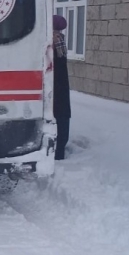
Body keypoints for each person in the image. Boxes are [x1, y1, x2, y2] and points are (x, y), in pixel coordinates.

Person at [53, 14, 71, 160]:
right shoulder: (61, 41)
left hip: (55, 87)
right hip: (62, 88)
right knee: (62, 119)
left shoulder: (53, 43)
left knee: (58, 119)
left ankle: (58, 155)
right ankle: (60, 152)